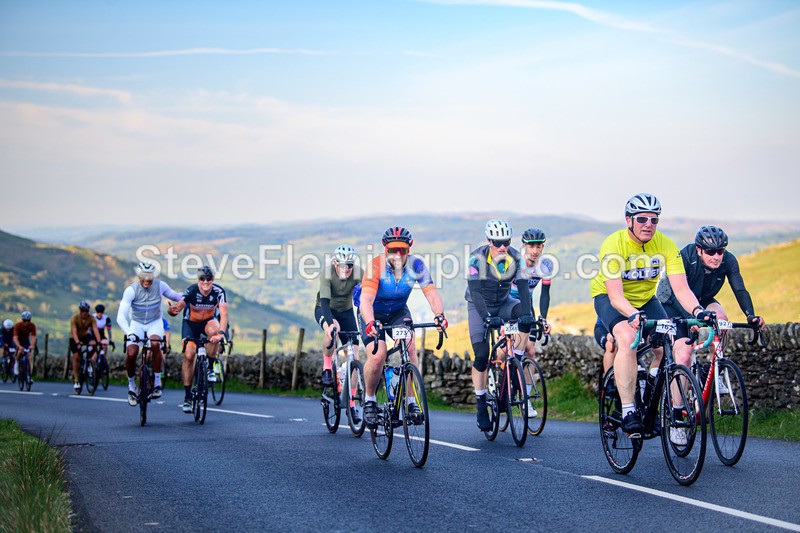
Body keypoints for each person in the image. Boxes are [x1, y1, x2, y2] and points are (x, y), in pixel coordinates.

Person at [590, 193, 713, 443]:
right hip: (611, 298)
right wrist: (633, 315)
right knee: (626, 338)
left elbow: (681, 289)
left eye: (654, 219)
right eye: (642, 218)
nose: (649, 224)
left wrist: (698, 311)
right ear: (629, 220)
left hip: (647, 299)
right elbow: (615, 297)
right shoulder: (613, 245)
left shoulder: (665, 245)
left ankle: (647, 393)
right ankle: (628, 411)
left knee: (665, 343)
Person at [359, 227, 447, 429]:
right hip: (373, 313)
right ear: (385, 249)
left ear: (410, 248)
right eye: (393, 250)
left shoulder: (417, 265)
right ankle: (370, 400)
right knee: (378, 355)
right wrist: (371, 322)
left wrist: (439, 315)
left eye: (403, 250)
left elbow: (431, 294)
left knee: (409, 345)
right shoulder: (376, 266)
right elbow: (366, 299)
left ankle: (410, 401)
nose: (398, 255)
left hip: (398, 311)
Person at [657, 225, 765, 385]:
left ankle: (716, 372)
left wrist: (750, 315)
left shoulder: (728, 260)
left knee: (721, 319)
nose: (716, 256)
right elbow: (677, 293)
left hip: (702, 299)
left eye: (720, 251)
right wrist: (692, 318)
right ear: (699, 249)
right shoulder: (686, 257)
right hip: (672, 302)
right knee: (684, 354)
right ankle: (678, 402)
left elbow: (740, 289)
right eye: (710, 252)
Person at [466, 219, 535, 431]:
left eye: (506, 241)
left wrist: (527, 314)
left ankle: (517, 359)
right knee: (481, 354)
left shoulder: (515, 257)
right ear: (489, 241)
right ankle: (480, 404)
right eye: (497, 242)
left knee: (525, 317)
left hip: (504, 303)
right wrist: (487, 316)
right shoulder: (476, 258)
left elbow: (523, 288)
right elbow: (475, 292)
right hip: (479, 306)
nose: (502, 246)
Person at [117, 262, 182, 406]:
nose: (147, 279)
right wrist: (129, 333)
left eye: (150, 276)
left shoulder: (160, 286)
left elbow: (177, 296)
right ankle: (131, 386)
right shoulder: (131, 290)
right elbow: (120, 317)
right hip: (136, 324)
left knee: (155, 344)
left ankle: (157, 383)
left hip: (154, 322)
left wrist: (194, 294)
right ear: (138, 276)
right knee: (132, 353)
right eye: (143, 276)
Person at [168, 266, 228, 414]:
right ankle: (188, 397)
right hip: (191, 324)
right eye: (202, 279)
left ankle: (210, 369)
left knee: (214, 333)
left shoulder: (218, 292)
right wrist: (173, 310)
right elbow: (179, 306)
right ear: (198, 280)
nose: (205, 282)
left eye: (209, 279)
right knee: (189, 356)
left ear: (213, 280)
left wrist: (221, 333)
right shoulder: (192, 290)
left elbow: (224, 315)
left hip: (208, 322)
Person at [314, 244, 362, 387]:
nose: (346, 268)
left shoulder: (359, 273)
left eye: (349, 265)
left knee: (354, 356)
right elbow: (324, 301)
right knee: (333, 330)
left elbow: (366, 299)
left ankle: (351, 404)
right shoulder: (327, 273)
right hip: (326, 309)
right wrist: (330, 324)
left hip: (346, 312)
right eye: (342, 265)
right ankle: (327, 367)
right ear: (335, 263)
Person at [510, 228, 554, 363]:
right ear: (523, 245)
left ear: (543, 247)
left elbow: (545, 294)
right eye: (531, 246)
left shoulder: (545, 265)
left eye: (538, 246)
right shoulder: (514, 263)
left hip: (526, 306)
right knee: (509, 348)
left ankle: (526, 385)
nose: (535, 251)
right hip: (508, 304)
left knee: (530, 351)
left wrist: (543, 318)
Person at [70, 301, 102, 392]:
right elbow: (74, 331)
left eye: (87, 311)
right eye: (83, 311)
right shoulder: (74, 318)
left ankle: (90, 363)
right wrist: (77, 342)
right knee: (76, 356)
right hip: (74, 337)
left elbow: (95, 330)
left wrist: (98, 341)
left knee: (94, 343)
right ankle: (76, 380)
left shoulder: (91, 318)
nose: (85, 313)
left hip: (85, 336)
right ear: (80, 311)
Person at [12, 311, 37, 378]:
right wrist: (19, 346)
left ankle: (29, 375)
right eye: (25, 320)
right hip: (18, 341)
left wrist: (32, 345)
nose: (27, 322)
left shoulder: (32, 325)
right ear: (22, 319)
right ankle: (16, 363)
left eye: (28, 320)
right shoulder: (17, 325)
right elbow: (15, 338)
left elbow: (34, 337)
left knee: (29, 356)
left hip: (26, 341)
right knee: (20, 351)